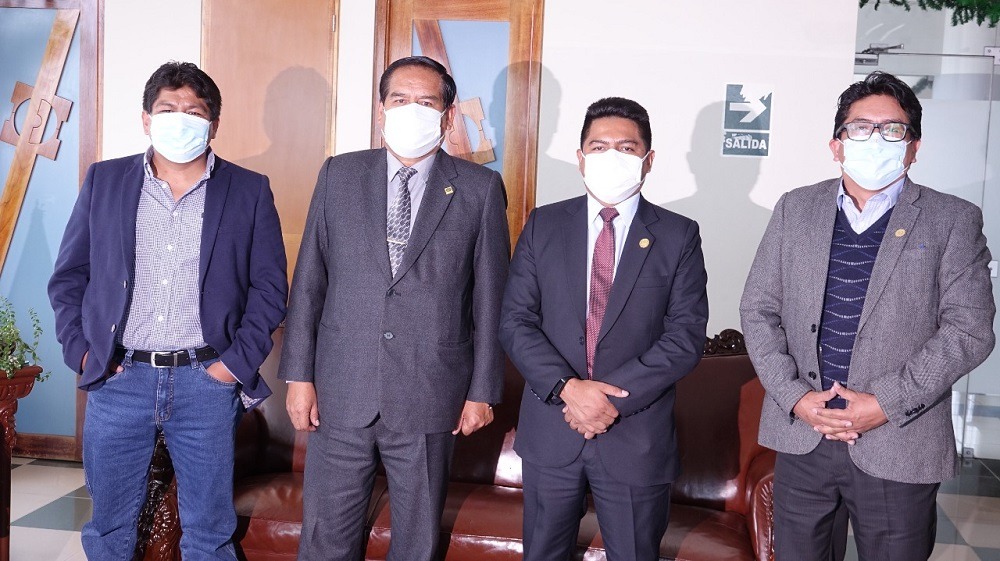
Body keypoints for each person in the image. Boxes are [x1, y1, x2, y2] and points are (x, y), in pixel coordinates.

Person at [741, 71, 996, 561]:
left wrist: (885, 403)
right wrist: (796, 399)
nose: (875, 139)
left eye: (892, 129)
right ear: (836, 145)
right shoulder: (796, 209)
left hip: (899, 441)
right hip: (804, 437)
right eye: (860, 128)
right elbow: (758, 309)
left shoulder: (952, 219)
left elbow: (969, 331)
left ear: (914, 147)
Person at [48, 61, 288, 559]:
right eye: (167, 108)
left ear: (213, 125)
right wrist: (85, 354)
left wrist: (232, 366)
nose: (180, 119)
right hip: (119, 378)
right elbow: (70, 276)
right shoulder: (105, 180)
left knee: (209, 533)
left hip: (206, 382)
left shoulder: (249, 189)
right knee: (109, 529)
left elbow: (269, 289)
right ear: (146, 119)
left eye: (194, 112)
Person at [279, 55, 510, 561]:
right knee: (325, 539)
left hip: (431, 391)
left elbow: (491, 301)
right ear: (381, 109)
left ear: (448, 115)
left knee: (416, 543)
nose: (412, 109)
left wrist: (482, 391)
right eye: (400, 99)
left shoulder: (480, 189)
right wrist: (298, 375)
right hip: (341, 388)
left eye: (426, 101)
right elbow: (310, 280)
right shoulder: (339, 175)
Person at [500, 97, 709, 561]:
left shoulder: (678, 235)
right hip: (552, 429)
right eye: (598, 147)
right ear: (580, 158)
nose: (611, 156)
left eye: (626, 148)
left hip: (635, 435)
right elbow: (516, 321)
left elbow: (685, 337)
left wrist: (605, 399)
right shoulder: (544, 224)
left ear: (648, 160)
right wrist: (569, 389)